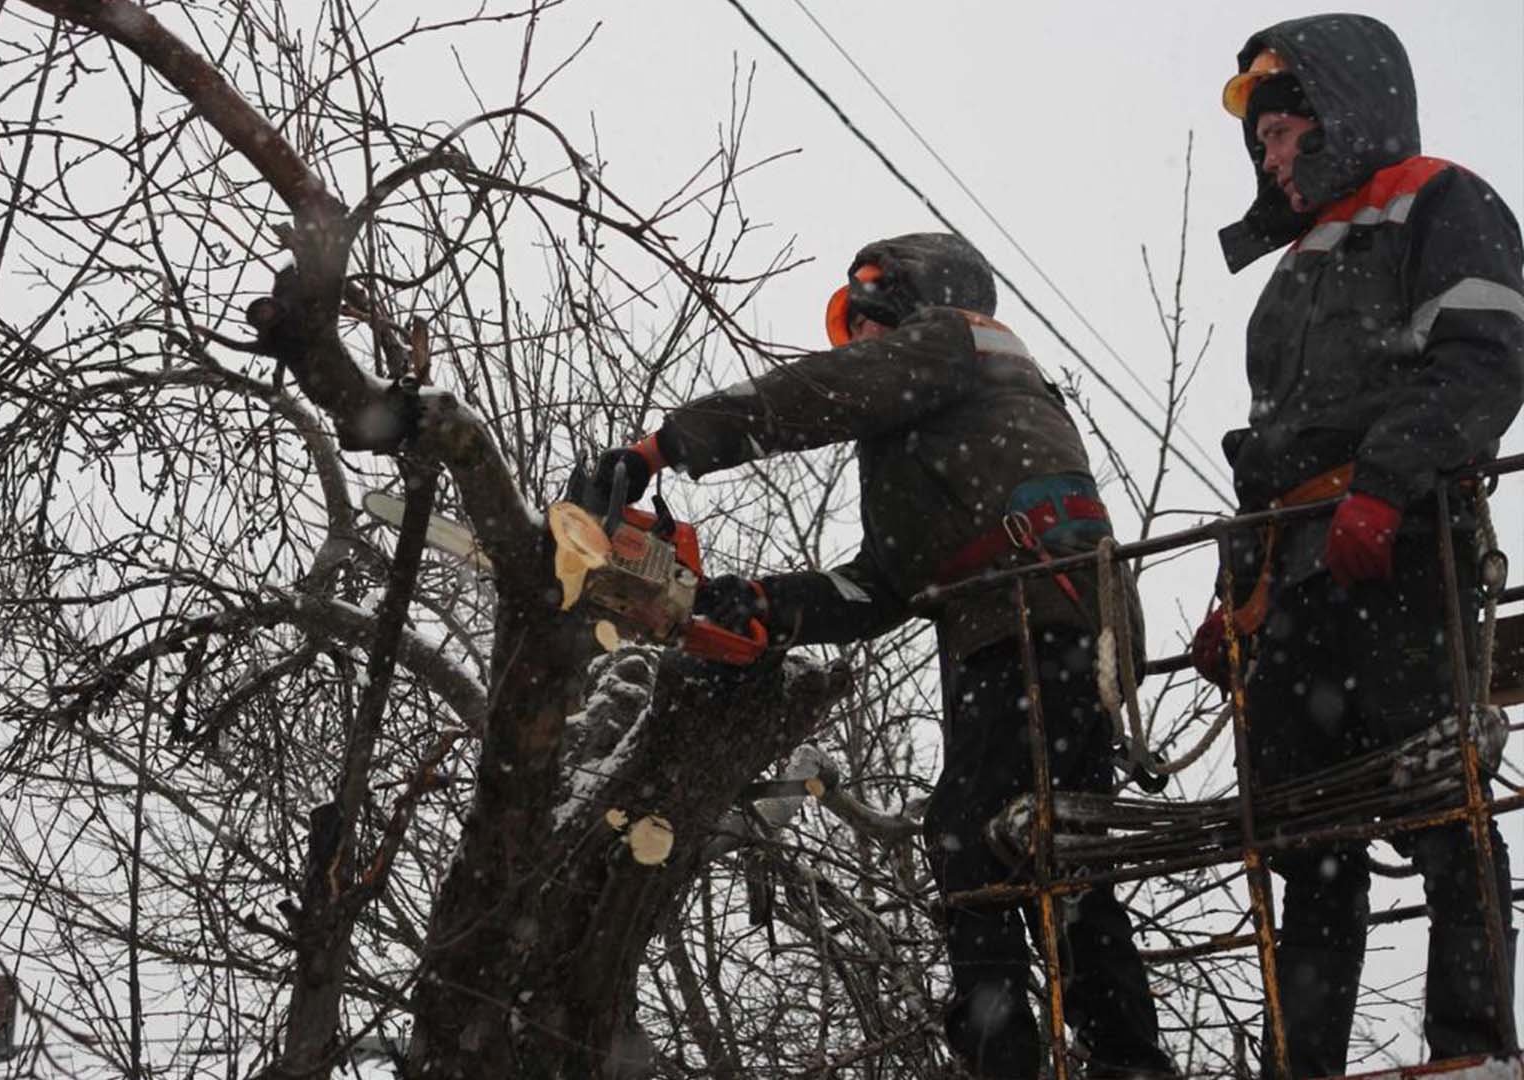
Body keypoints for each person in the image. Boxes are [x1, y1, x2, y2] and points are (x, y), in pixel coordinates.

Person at [591, 232, 1176, 1078]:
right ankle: (1124, 1059)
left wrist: (663, 446)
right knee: (1056, 849)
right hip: (1033, 621)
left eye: (870, 324)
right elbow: (882, 587)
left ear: (914, 299)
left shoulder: (959, 339)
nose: (862, 348)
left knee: (973, 838)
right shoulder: (935, 432)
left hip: (1037, 614)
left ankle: (1006, 1053)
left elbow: (818, 394)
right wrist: (765, 605)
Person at [1195, 13, 1524, 1076]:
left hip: (1401, 548)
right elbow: (1266, 466)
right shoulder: (1288, 277)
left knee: (1442, 793)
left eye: (1286, 134)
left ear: (1343, 109)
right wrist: (1235, 592)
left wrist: (1382, 491)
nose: (1273, 157)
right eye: (1263, 146)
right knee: (1304, 838)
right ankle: (1307, 1064)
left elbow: (1483, 359)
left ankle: (1470, 1051)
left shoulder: (1440, 199)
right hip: (1293, 579)